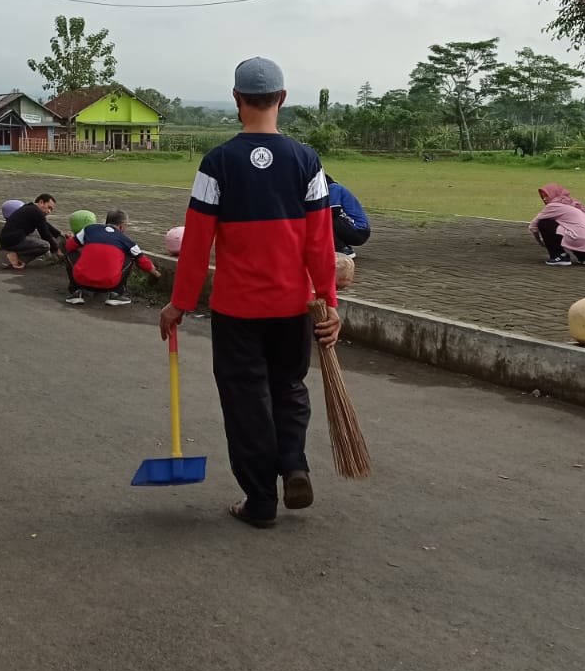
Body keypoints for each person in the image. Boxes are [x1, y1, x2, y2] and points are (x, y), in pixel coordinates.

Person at [160, 57, 340, 529]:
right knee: (289, 387)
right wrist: (330, 303)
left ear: (237, 100)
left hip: (237, 309)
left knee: (246, 400)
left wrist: (180, 303)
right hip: (293, 305)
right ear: (282, 99)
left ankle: (260, 500)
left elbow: (197, 243)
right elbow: (322, 243)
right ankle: (294, 464)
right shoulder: (308, 161)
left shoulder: (217, 162)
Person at [65, 209, 163, 306]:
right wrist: (156, 273)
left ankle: (76, 292)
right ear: (122, 225)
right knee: (131, 257)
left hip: (83, 280)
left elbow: (69, 246)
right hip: (109, 284)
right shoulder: (126, 240)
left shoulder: (89, 229)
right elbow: (142, 261)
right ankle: (115, 293)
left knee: (70, 253)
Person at [528, 183, 585, 266]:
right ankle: (584, 257)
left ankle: (559, 255)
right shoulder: (579, 204)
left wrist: (541, 242)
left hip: (578, 238)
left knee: (544, 223)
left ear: (553, 195)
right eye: (542, 196)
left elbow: (533, 226)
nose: (544, 199)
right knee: (572, 228)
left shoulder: (554, 206)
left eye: (546, 196)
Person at [0, 194, 61, 270]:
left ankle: (17, 258)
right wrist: (56, 250)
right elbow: (45, 234)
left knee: (39, 237)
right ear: (41, 202)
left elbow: (45, 224)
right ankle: (19, 258)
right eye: (48, 207)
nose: (49, 211)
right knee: (45, 245)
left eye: (51, 209)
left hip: (6, 239)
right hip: (13, 240)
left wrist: (59, 234)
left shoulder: (29, 207)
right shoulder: (37, 213)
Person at [326, 175, 371, 255]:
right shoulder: (330, 189)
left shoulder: (333, 188)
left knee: (325, 219)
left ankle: (342, 249)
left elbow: (334, 211)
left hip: (359, 231)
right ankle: (340, 246)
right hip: (354, 229)